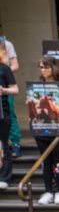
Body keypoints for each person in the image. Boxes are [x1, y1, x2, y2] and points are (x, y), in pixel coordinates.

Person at [32, 57, 59, 205]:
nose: (43, 70)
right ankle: (48, 191)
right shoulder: (36, 86)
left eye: (46, 67)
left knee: (58, 161)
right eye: (41, 67)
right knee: (46, 162)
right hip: (41, 129)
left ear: (53, 68)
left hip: (57, 129)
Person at [1, 37, 21, 158]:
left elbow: (15, 66)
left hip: (4, 85)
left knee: (9, 114)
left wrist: (4, 71)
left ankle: (15, 144)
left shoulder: (6, 44)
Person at [0, 58, 18, 191]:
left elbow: (15, 90)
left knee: (3, 144)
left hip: (2, 112)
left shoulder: (4, 68)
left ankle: (5, 177)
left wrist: (3, 90)